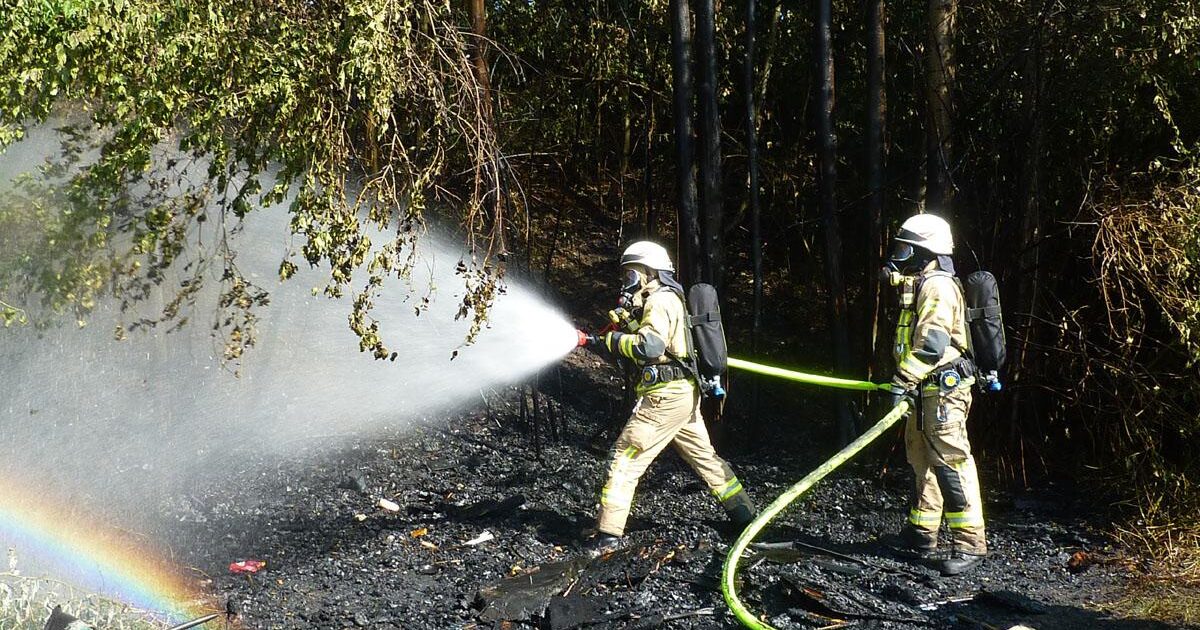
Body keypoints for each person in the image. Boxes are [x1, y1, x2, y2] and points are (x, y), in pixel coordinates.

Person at [576, 241, 756, 557]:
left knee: (624, 459)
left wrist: (610, 339)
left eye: (630, 273)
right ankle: (746, 517)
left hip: (663, 398)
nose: (626, 280)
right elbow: (661, 343)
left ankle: (607, 534)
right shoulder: (669, 299)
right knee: (706, 458)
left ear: (648, 271)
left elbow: (649, 348)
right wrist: (619, 327)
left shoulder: (660, 301)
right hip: (683, 395)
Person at [880, 214, 987, 576]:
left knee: (952, 463)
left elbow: (931, 344)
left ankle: (970, 544)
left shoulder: (938, 286)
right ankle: (923, 534)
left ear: (924, 251)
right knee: (922, 460)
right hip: (925, 392)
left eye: (905, 248)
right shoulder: (923, 283)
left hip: (943, 392)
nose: (899, 255)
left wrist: (900, 381)